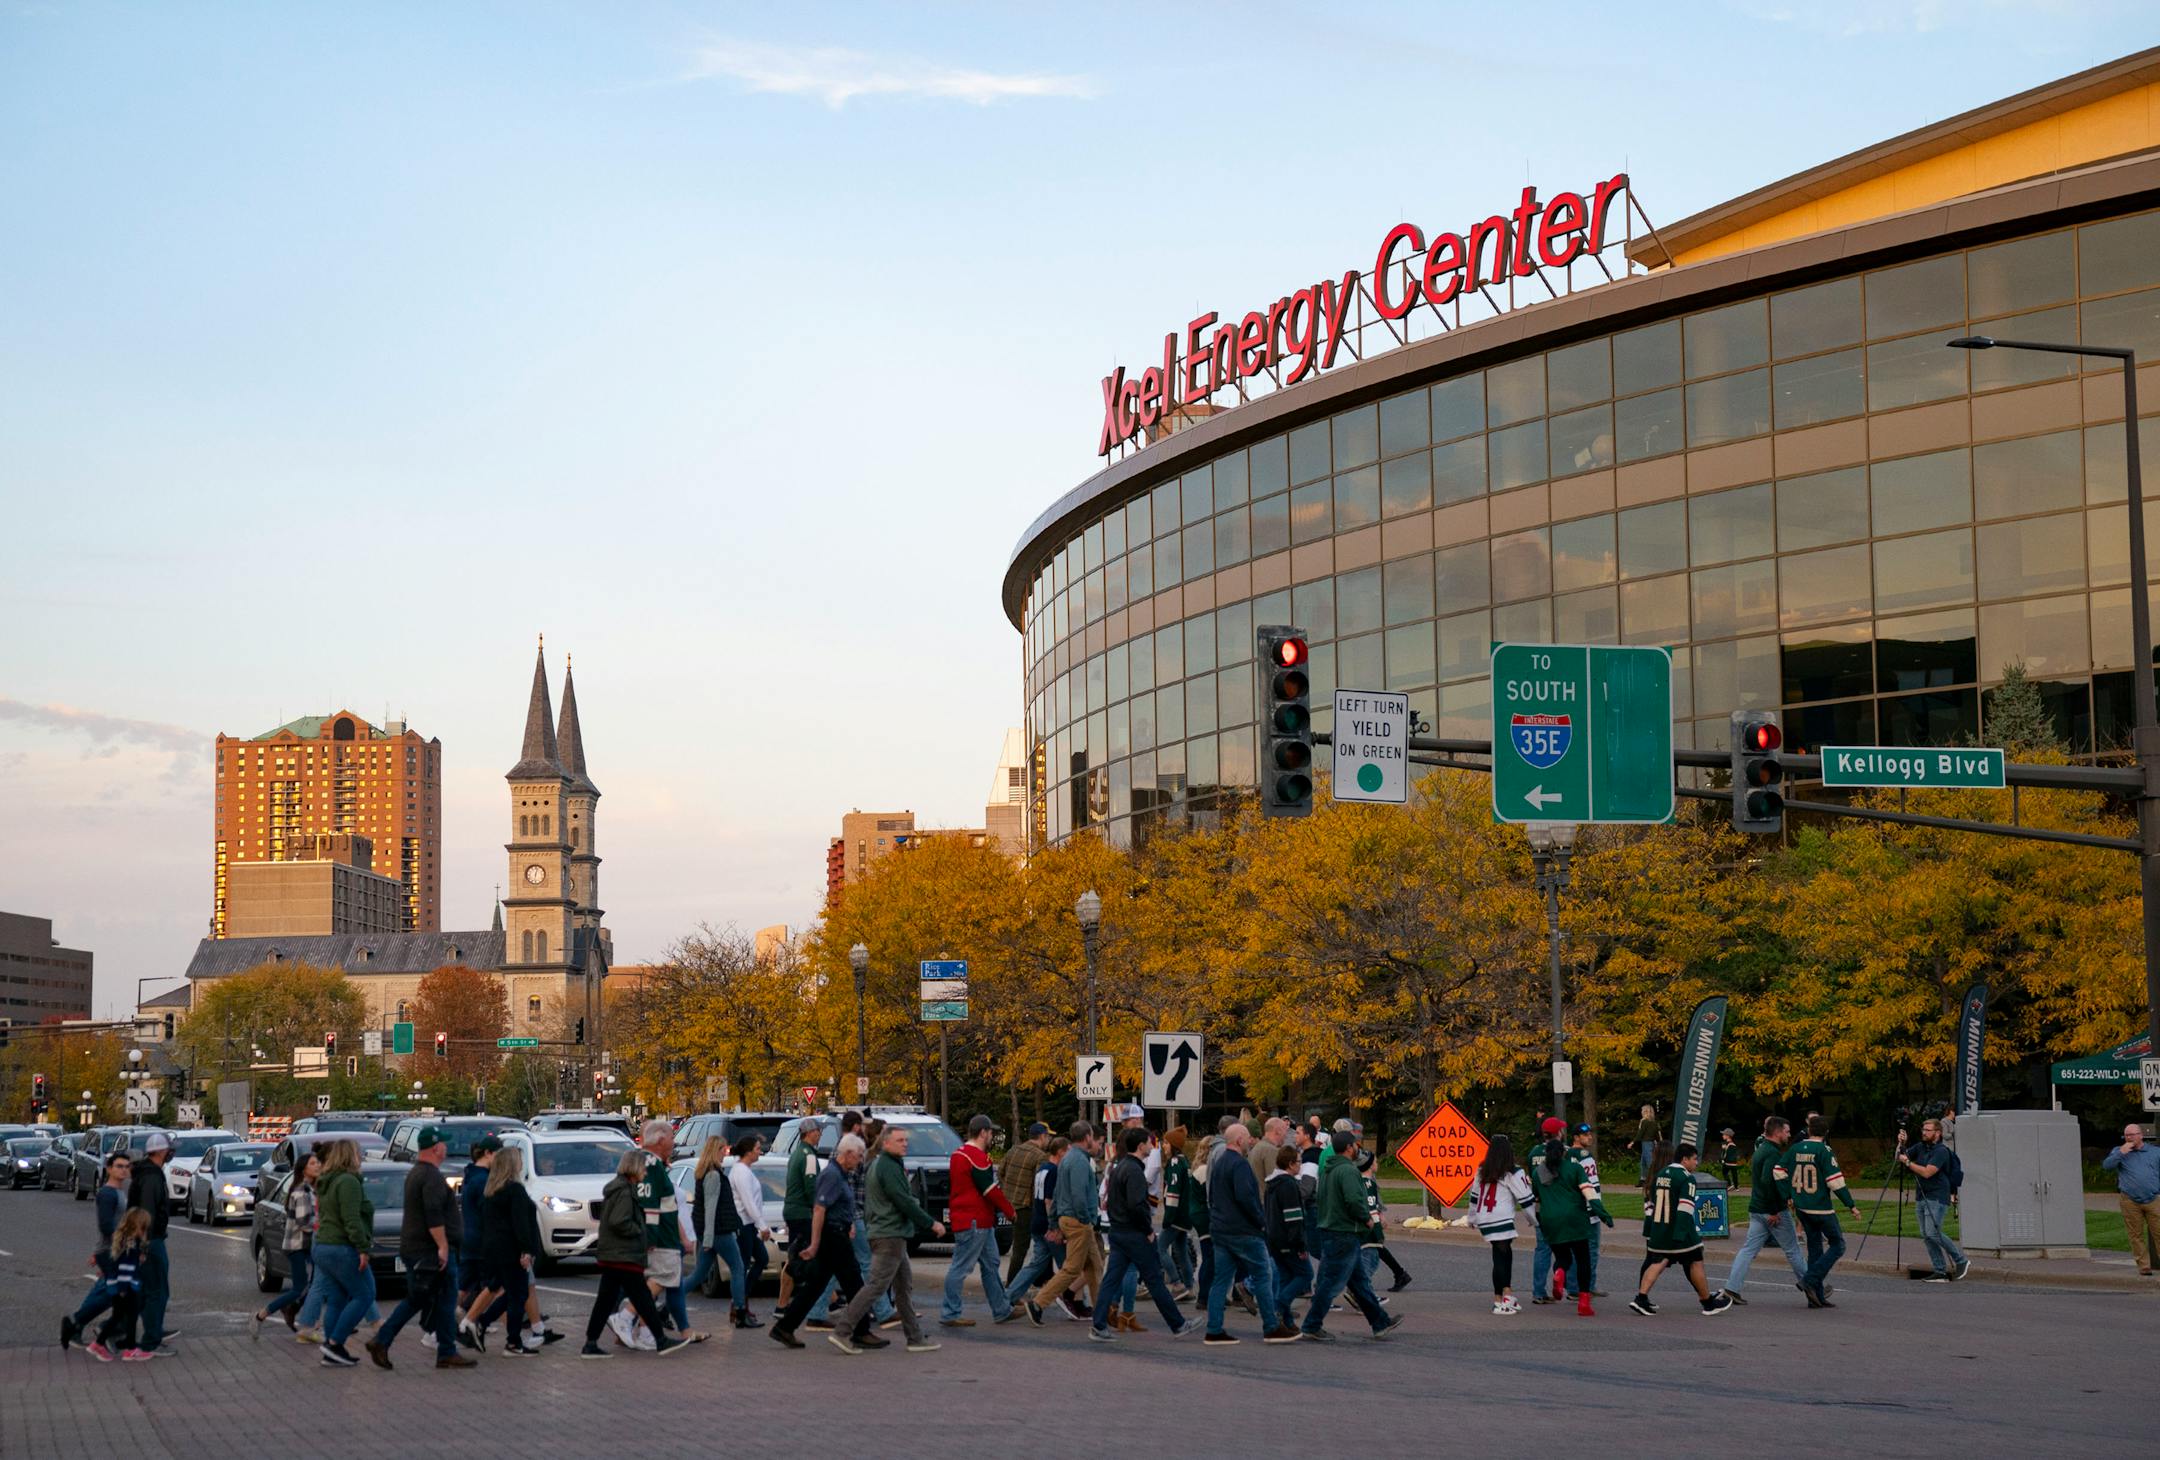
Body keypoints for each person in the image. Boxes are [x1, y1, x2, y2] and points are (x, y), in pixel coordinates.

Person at [829, 1123, 946, 1354]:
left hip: (892, 1234)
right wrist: (930, 1223)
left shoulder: (884, 1164)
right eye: (900, 1140)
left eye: (905, 1140)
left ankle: (915, 1337)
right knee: (876, 1286)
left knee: (903, 1287)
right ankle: (842, 1330)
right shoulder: (886, 1166)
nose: (905, 1144)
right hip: (889, 1235)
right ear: (886, 1143)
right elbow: (902, 1199)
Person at [367, 1126, 476, 1369]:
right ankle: (384, 1340)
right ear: (436, 1147)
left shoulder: (417, 1173)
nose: (446, 1148)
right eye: (444, 1144)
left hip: (419, 1249)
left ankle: (444, 1350)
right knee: (431, 1299)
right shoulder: (431, 1177)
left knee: (430, 1299)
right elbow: (433, 1213)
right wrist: (443, 1246)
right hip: (429, 1252)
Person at [770, 1133, 876, 1349]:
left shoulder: (840, 1173)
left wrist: (850, 1224)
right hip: (833, 1237)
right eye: (858, 1155)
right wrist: (815, 1243)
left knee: (816, 1285)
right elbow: (819, 1208)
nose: (860, 1160)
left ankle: (785, 1327)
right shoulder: (832, 1175)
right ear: (847, 1154)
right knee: (854, 1283)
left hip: (837, 1233)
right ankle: (861, 1331)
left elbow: (838, 1205)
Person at [581, 1148, 688, 1358]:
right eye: (643, 1169)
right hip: (623, 1255)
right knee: (642, 1299)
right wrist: (639, 1231)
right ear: (634, 1168)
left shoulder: (620, 1188)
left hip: (615, 1255)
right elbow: (619, 1221)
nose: (645, 1173)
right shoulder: (624, 1191)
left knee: (607, 1300)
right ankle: (660, 1340)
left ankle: (591, 1343)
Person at [1089, 1126, 1193, 1341]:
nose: (1152, 1146)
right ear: (1140, 1146)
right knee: (1154, 1278)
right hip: (1134, 1234)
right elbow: (1137, 1205)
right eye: (1148, 1142)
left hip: (1119, 1231)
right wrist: (1148, 1230)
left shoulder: (1120, 1167)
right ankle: (1178, 1324)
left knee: (1111, 1279)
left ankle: (1098, 1324)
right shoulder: (1135, 1171)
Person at [1301, 1129, 1403, 1342]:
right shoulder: (1347, 1171)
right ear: (1349, 1147)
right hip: (1343, 1233)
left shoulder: (1328, 1169)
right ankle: (1311, 1325)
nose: (1358, 1149)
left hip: (1332, 1230)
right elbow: (1354, 1200)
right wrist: (1366, 1218)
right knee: (1330, 1283)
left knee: (1359, 1281)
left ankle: (1380, 1322)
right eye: (1356, 1145)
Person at [1203, 1123, 1292, 1345]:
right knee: (1263, 1275)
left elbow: (1213, 1195)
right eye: (1248, 1138)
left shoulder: (1219, 1162)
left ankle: (1214, 1329)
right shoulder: (1240, 1165)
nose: (1250, 1141)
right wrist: (1261, 1222)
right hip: (1243, 1231)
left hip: (1221, 1229)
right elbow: (1246, 1198)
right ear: (1239, 1141)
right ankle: (1271, 1326)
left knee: (1220, 1281)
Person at [1629, 1143, 1734, 1317]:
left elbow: (1652, 1205)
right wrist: (1681, 1233)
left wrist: (1650, 1230)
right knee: (1695, 1261)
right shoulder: (1687, 1178)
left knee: (1657, 1262)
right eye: (1694, 1159)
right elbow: (1685, 1209)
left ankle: (1641, 1297)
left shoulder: (1660, 1175)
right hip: (1678, 1231)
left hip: (1659, 1228)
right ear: (1684, 1159)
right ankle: (1708, 1303)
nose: (1696, 1163)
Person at [1718, 1115, 1809, 1305]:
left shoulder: (1761, 1150)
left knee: (1748, 1250)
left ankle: (1732, 1288)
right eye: (1786, 1131)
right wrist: (1775, 1210)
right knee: (1793, 1249)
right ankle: (1812, 1284)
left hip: (1757, 1208)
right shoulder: (1773, 1154)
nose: (1789, 1135)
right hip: (1771, 1210)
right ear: (1777, 1132)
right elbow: (1770, 1182)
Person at [943, 1114, 1019, 1327]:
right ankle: (950, 1312)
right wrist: (1009, 1210)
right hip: (975, 1220)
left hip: (975, 1220)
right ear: (983, 1132)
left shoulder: (959, 1154)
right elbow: (990, 1189)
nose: (992, 1136)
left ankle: (1002, 1309)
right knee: (961, 1267)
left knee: (991, 1263)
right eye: (990, 1132)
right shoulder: (975, 1157)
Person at [1530, 1123, 1612, 1318]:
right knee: (1583, 1258)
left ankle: (1559, 1273)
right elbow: (1589, 1192)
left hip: (1550, 1221)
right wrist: (1603, 1214)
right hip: (1575, 1218)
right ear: (1563, 1153)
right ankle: (1583, 1302)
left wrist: (1535, 1218)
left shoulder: (1538, 1173)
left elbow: (1535, 1197)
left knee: (1563, 1257)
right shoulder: (1574, 1168)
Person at [1027, 1121, 1105, 1324]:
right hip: (1079, 1221)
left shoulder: (1068, 1159)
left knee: (1094, 1267)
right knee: (1072, 1269)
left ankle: (1102, 1311)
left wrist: (1054, 1222)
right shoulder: (1079, 1162)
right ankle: (1038, 1303)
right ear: (1087, 1137)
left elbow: (1058, 1193)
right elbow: (1078, 1195)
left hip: (1070, 1219)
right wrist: (1086, 1219)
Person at [1777, 1114, 1858, 1308]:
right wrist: (1851, 1205)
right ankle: (1809, 1280)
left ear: (1809, 1130)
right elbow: (1835, 1182)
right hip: (1821, 1208)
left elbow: (1778, 1170)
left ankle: (1816, 1297)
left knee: (1815, 1249)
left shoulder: (1795, 1148)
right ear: (1826, 1132)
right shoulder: (1824, 1150)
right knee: (1838, 1245)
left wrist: (1788, 1194)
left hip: (1802, 1208)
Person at [312, 1138, 377, 1367]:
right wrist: (362, 1248)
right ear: (350, 1155)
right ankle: (335, 1342)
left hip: (324, 1246)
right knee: (364, 1295)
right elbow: (351, 1219)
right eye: (358, 1152)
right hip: (342, 1247)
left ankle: (332, 1351)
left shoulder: (326, 1181)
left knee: (337, 1299)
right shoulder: (348, 1181)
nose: (361, 1155)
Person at [635, 1118, 701, 1343]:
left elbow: (666, 1205)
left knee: (668, 1282)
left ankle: (646, 1329)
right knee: (662, 1280)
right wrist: (655, 1236)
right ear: (660, 1140)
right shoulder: (651, 1165)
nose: (674, 1142)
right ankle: (627, 1317)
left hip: (668, 1234)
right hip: (662, 1237)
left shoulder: (656, 1164)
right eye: (672, 1138)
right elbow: (655, 1206)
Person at [61, 1150, 132, 1350]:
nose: (123, 1170)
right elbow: (106, 1226)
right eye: (119, 1166)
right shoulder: (107, 1193)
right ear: (109, 1169)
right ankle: (88, 1324)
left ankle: (83, 1324)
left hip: (113, 1250)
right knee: (117, 1293)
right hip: (112, 1250)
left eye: (126, 1167)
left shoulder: (118, 1191)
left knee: (113, 1292)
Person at [688, 1136, 755, 1327]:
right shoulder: (713, 1175)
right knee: (738, 1268)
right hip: (719, 1232)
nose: (726, 1153)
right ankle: (740, 1311)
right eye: (723, 1149)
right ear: (715, 1150)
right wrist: (708, 1239)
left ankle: (667, 1305)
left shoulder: (707, 1173)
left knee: (699, 1275)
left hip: (712, 1232)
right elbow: (710, 1208)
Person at [1463, 1135, 1534, 1314]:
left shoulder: (1482, 1169)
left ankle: (1506, 1294)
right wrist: (1533, 1219)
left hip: (1484, 1217)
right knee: (1501, 1257)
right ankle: (1498, 1301)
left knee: (1503, 1253)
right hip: (1501, 1217)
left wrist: (1471, 1218)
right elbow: (1525, 1198)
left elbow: (1474, 1196)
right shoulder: (1513, 1171)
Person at [1897, 1117, 1970, 1282]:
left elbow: (1927, 1172)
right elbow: (1899, 1157)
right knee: (1926, 1235)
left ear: (1937, 1133)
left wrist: (1908, 1162)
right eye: (1923, 1130)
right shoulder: (1921, 1147)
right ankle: (1940, 1271)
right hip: (1921, 1195)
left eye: (1927, 1130)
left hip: (1937, 1196)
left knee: (1932, 1233)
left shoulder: (1941, 1151)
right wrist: (1902, 1144)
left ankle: (1961, 1260)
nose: (1924, 1133)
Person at [253, 1150, 318, 1338]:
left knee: (316, 1284)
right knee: (300, 1287)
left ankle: (294, 1309)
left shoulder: (309, 1189)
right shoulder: (300, 1192)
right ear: (304, 1169)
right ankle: (262, 1314)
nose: (318, 1166)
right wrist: (321, 1227)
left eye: (317, 1163)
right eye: (313, 1164)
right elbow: (304, 1222)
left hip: (305, 1245)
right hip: (297, 1245)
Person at [1003, 1135, 1070, 1314]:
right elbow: (1049, 1201)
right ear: (1061, 1152)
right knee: (1068, 1267)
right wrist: (1054, 1226)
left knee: (1036, 1264)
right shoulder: (1054, 1172)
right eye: (1068, 1152)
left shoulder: (1042, 1169)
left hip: (1036, 1221)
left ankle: (1009, 1295)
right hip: (1047, 1225)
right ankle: (1071, 1300)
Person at [127, 1133, 175, 1356]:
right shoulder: (151, 1177)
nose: (171, 1153)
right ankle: (150, 1342)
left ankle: (151, 1334)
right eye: (168, 1149)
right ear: (160, 1152)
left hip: (147, 1239)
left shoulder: (147, 1173)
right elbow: (146, 1212)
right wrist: (144, 1246)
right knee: (157, 1291)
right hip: (150, 1241)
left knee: (149, 1291)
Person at [87, 1209, 154, 1362]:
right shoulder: (131, 1243)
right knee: (131, 1316)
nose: (144, 1232)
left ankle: (98, 1343)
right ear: (136, 1226)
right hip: (126, 1286)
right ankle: (130, 1349)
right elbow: (126, 1267)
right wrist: (124, 1288)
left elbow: (113, 1261)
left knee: (118, 1316)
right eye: (143, 1228)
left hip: (116, 1285)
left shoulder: (121, 1239)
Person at [778, 1116, 824, 1314]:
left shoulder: (796, 1153)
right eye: (817, 1131)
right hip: (802, 1212)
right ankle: (783, 1305)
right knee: (799, 1259)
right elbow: (811, 1187)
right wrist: (819, 1208)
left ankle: (829, 1299)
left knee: (799, 1257)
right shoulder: (809, 1156)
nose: (819, 1135)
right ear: (809, 1133)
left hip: (793, 1210)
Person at [2102, 1122, 2160, 1277]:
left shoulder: (2155, 1152)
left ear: (2141, 1135)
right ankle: (2144, 1266)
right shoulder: (2119, 1151)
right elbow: (2107, 1166)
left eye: (2133, 1134)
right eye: (2127, 1135)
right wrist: (2121, 1153)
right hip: (2130, 1200)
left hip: (2154, 1198)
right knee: (2135, 1234)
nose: (2129, 1137)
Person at [1262, 1143, 1310, 1330]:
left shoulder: (1271, 1184)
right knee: (1305, 1274)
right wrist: (1300, 1245)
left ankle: (1287, 1321)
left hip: (1274, 1238)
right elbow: (1294, 1217)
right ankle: (1279, 1306)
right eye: (1299, 1162)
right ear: (1290, 1164)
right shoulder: (1288, 1185)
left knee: (1285, 1277)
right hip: (1288, 1240)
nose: (1300, 1165)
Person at [998, 1122, 1050, 1288]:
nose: (1048, 1140)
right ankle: (1012, 1285)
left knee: (1029, 1245)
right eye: (1048, 1136)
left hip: (1009, 1204)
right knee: (1022, 1249)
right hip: (1025, 1207)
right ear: (1042, 1137)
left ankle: (1041, 1278)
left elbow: (1001, 1173)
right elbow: (1038, 1184)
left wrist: (1007, 1193)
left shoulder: (1013, 1150)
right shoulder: (1040, 1156)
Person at [1355, 1149, 1413, 1292]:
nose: (1377, 1163)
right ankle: (1399, 1273)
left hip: (1369, 1224)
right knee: (1372, 1250)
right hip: (1368, 1224)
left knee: (1370, 1252)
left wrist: (1378, 1215)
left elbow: (1371, 1201)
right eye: (1375, 1161)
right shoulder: (1365, 1179)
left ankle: (1360, 1290)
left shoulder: (1368, 1180)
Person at [1526, 1116, 1566, 1303]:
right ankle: (1573, 1287)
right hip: (1558, 1205)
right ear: (1558, 1133)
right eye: (1561, 1130)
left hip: (1540, 1206)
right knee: (1568, 1248)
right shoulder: (1563, 1153)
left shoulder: (1534, 1152)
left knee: (1542, 1249)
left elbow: (1532, 1178)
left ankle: (1538, 1291)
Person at [1567, 1125, 1606, 1298]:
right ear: (1576, 1137)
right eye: (1585, 1134)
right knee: (1591, 1249)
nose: (1589, 1137)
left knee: (1576, 1249)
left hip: (1574, 1207)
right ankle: (1587, 1285)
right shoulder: (1585, 1155)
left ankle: (1573, 1286)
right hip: (1589, 1206)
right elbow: (1590, 1183)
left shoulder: (1567, 1155)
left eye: (1590, 1134)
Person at [1158, 1126, 1195, 1295]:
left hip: (1176, 1216)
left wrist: (1168, 1217)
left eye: (1166, 1142)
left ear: (1173, 1145)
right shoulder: (1184, 1161)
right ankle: (1189, 1286)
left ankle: (1176, 1282)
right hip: (1185, 1215)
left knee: (1160, 1248)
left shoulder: (1174, 1163)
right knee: (1181, 1251)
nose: (1163, 1146)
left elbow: (1173, 1192)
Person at [1249, 1116, 1288, 1186]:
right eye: (1285, 1130)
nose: (1286, 1135)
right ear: (1278, 1131)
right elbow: (1275, 1181)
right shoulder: (1271, 1150)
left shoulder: (1256, 1148)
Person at [1636, 1105, 1660, 1175]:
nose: (1641, 1112)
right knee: (1643, 1162)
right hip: (1647, 1143)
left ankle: (1652, 1178)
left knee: (1649, 1161)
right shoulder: (1650, 1121)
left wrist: (1633, 1142)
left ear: (1646, 1112)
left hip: (1648, 1143)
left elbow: (1640, 1133)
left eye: (1642, 1111)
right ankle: (1643, 1178)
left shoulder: (1645, 1122)